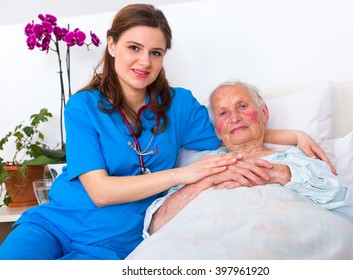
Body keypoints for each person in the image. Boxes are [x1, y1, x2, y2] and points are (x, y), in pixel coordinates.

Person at [0, 5, 333, 260]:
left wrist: (294, 135)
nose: (144, 61)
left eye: (155, 52)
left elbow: (232, 134)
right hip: (53, 225)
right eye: (134, 47)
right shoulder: (82, 106)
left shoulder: (181, 106)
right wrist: (187, 174)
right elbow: (100, 191)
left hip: (116, 244)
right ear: (112, 45)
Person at [145, 81, 353, 236]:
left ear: (264, 114)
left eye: (242, 106)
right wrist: (209, 180)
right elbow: (155, 226)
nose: (235, 117)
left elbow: (352, 212)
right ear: (217, 132)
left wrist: (278, 173)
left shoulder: (298, 161)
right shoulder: (202, 170)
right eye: (223, 113)